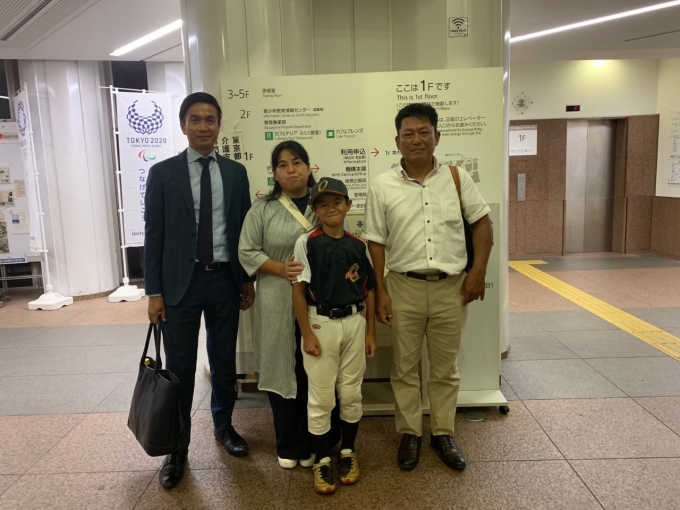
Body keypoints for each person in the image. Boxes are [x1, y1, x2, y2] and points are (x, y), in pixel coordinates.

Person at [362, 103, 493, 472]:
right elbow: (376, 242)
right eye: (409, 134)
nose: (416, 139)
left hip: (452, 288)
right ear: (397, 141)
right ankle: (409, 433)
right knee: (404, 367)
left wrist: (478, 272)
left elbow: (483, 225)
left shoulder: (456, 178)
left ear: (437, 136)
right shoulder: (382, 185)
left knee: (445, 368)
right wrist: (381, 291)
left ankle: (442, 432)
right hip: (403, 287)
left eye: (424, 132)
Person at [144, 91, 256, 489]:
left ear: (219, 126)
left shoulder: (236, 173)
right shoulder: (163, 173)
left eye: (210, 119)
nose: (203, 126)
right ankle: (177, 447)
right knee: (180, 368)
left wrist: (247, 279)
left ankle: (224, 427)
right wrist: (153, 292)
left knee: (224, 360)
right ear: (183, 125)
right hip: (180, 284)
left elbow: (244, 230)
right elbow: (154, 235)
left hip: (225, 279)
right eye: (195, 119)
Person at [238, 141, 341, 469]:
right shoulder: (262, 209)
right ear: (274, 173)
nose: (291, 170)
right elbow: (247, 250)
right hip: (276, 301)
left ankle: (316, 441)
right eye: (282, 165)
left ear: (309, 167)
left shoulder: (323, 204)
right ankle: (288, 443)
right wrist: (280, 268)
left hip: (319, 302)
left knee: (316, 370)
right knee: (283, 368)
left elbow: (341, 243)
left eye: (297, 162)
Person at [292, 177, 377, 494]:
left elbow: (369, 291)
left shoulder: (359, 245)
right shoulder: (307, 242)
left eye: (337, 202)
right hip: (320, 323)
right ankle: (321, 459)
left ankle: (348, 452)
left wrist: (371, 333)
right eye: (323, 204)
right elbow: (298, 291)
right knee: (322, 397)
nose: (331, 208)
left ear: (348, 205)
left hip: (354, 321)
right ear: (314, 210)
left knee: (351, 393)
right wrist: (306, 333)